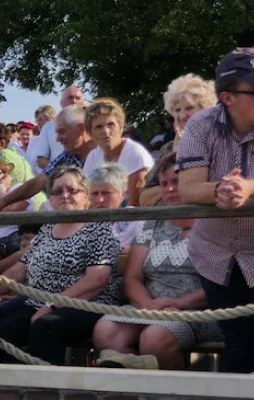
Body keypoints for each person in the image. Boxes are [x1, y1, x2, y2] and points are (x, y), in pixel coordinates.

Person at [94, 152, 221, 369]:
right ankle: (135, 397)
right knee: (105, 331)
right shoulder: (150, 223)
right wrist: (149, 306)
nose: (170, 189)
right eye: (164, 183)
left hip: (201, 310)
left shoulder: (215, 222)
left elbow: (221, 282)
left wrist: (178, 304)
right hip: (152, 306)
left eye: (177, 181)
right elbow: (133, 278)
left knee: (155, 338)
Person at [0, 165, 121, 365]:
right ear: (51, 199)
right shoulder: (48, 228)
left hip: (86, 304)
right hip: (38, 300)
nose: (65, 195)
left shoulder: (98, 227)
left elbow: (96, 280)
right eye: (58, 191)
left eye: (72, 190)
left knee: (45, 327)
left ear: (85, 195)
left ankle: (44, 390)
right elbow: (20, 269)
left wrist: (52, 305)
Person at [178, 47, 254, 372]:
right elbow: (188, 188)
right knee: (240, 346)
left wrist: (247, 188)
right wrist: (220, 190)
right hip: (216, 254)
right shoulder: (200, 125)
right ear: (227, 97)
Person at [0, 105, 96, 212]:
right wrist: (0, 204)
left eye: (61, 132)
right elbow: (38, 182)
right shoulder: (68, 155)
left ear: (80, 129)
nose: (58, 139)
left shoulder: (103, 153)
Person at [140, 74, 218, 206]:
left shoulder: (218, 143)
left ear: (206, 110)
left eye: (189, 108)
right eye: (177, 110)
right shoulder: (167, 149)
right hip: (166, 222)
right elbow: (144, 198)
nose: (182, 115)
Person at [82, 98, 154, 206]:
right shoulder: (93, 157)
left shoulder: (136, 154)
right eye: (98, 127)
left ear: (121, 128)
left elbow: (134, 203)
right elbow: (86, 196)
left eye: (110, 125)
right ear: (90, 134)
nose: (105, 131)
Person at [0, 157, 37, 257]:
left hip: (17, 240)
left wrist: (0, 188)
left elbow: (10, 211)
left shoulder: (18, 188)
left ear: (5, 175)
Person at [28, 86, 87, 172]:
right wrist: (60, 174)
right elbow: (41, 160)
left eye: (77, 98)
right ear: (61, 103)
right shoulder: (48, 127)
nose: (74, 101)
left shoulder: (92, 124)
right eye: (70, 97)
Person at [89, 162, 140, 248]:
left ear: (123, 194)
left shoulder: (136, 221)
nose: (100, 200)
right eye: (94, 193)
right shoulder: (82, 225)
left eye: (106, 193)